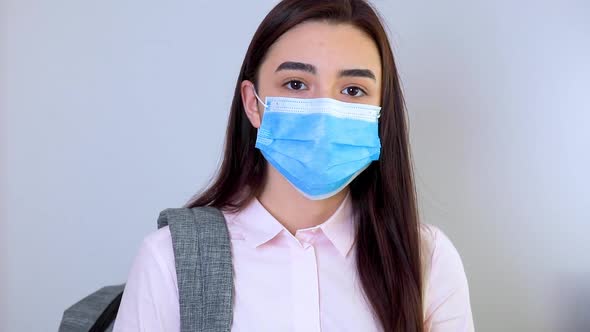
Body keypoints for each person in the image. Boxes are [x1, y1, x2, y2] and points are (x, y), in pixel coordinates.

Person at [113, 0, 474, 331]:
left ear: (380, 112)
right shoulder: (169, 258)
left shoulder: (427, 259)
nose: (323, 112)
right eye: (296, 84)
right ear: (253, 104)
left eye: (353, 90)